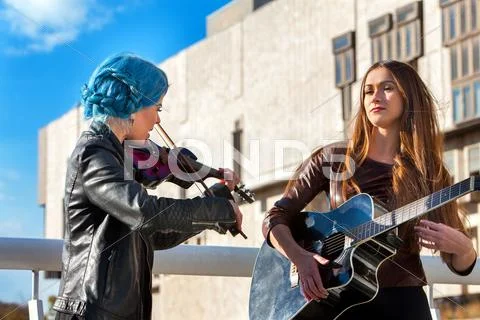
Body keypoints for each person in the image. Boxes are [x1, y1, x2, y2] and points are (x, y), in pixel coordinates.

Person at [262, 60, 477, 319]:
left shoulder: (430, 171)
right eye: (368, 90)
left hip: (404, 302)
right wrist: (300, 258)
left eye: (387, 88)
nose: (375, 96)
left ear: (409, 97)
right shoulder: (333, 159)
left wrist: (465, 249)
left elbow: (459, 264)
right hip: (342, 300)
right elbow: (275, 218)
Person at [53, 53, 243, 319]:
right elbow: (146, 212)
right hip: (91, 312)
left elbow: (154, 234)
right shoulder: (93, 154)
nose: (158, 120)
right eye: (157, 108)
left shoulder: (118, 156)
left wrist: (218, 204)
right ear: (133, 104)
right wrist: (215, 210)